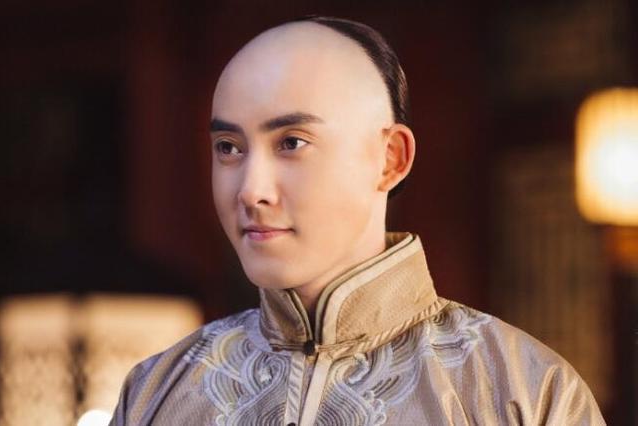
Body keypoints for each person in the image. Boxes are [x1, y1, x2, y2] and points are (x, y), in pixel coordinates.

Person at [110, 15, 605, 425]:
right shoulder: (158, 391)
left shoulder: (524, 393)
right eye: (229, 148)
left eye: (291, 143)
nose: (251, 190)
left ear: (390, 159)